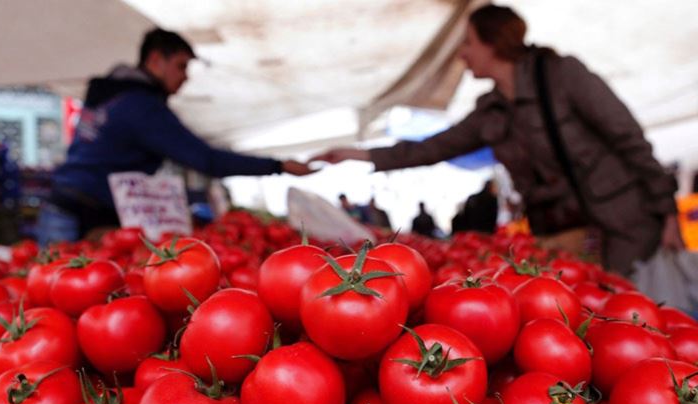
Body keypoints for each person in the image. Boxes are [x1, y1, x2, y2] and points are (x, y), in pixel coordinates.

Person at [311, 4, 681, 275]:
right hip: (562, 234)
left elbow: (628, 138)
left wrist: (666, 212)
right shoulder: (491, 111)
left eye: (469, 43)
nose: (462, 54)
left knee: (638, 310)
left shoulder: (561, 75)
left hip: (622, 225)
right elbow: (432, 148)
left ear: (494, 43)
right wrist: (358, 155)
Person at [37, 28, 311, 244]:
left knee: (60, 291)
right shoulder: (141, 106)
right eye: (181, 66)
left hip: (68, 203)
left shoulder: (111, 93)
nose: (186, 77)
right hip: (82, 211)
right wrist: (278, 166)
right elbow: (205, 159)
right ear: (156, 60)